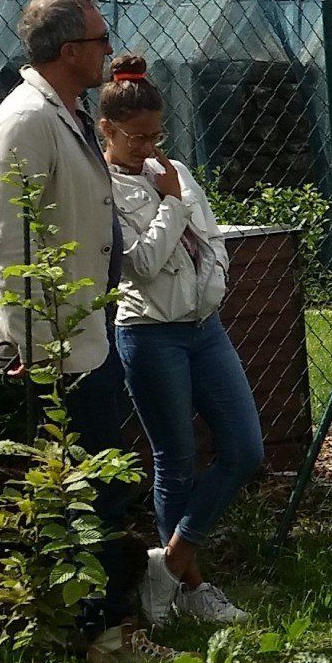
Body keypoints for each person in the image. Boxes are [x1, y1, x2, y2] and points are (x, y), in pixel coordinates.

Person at [0, 0, 165, 663]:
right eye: (99, 40)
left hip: (85, 329)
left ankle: (90, 628)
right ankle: (99, 635)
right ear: (67, 51)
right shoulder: (26, 121)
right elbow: (7, 245)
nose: (110, 51)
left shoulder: (70, 113)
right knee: (90, 491)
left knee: (99, 482)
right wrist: (24, 344)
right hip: (51, 345)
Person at [99, 55, 263, 626]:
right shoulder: (103, 189)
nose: (149, 147)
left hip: (204, 327)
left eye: (156, 135)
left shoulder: (173, 169)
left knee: (245, 449)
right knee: (176, 460)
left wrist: (215, 279)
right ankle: (189, 589)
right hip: (149, 333)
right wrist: (169, 202)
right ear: (107, 130)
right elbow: (140, 264)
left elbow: (210, 235)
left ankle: (165, 567)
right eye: (137, 137)